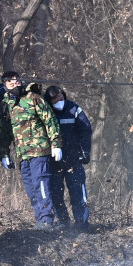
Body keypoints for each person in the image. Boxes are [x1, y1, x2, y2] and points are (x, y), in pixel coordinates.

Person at [0, 71, 63, 230]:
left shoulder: (33, 98)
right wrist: (5, 154)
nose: (15, 83)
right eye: (10, 82)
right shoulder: (8, 104)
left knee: (41, 184)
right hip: (23, 155)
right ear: (5, 86)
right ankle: (40, 219)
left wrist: (56, 143)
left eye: (17, 80)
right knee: (31, 189)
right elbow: (5, 132)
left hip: (39, 152)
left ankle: (46, 220)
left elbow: (50, 119)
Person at [43, 85, 92, 230]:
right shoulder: (46, 111)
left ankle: (81, 222)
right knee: (56, 193)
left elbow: (85, 129)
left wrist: (85, 151)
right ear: (50, 101)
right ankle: (63, 221)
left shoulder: (74, 109)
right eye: (55, 99)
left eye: (61, 98)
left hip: (74, 159)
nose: (59, 101)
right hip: (54, 161)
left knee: (77, 192)